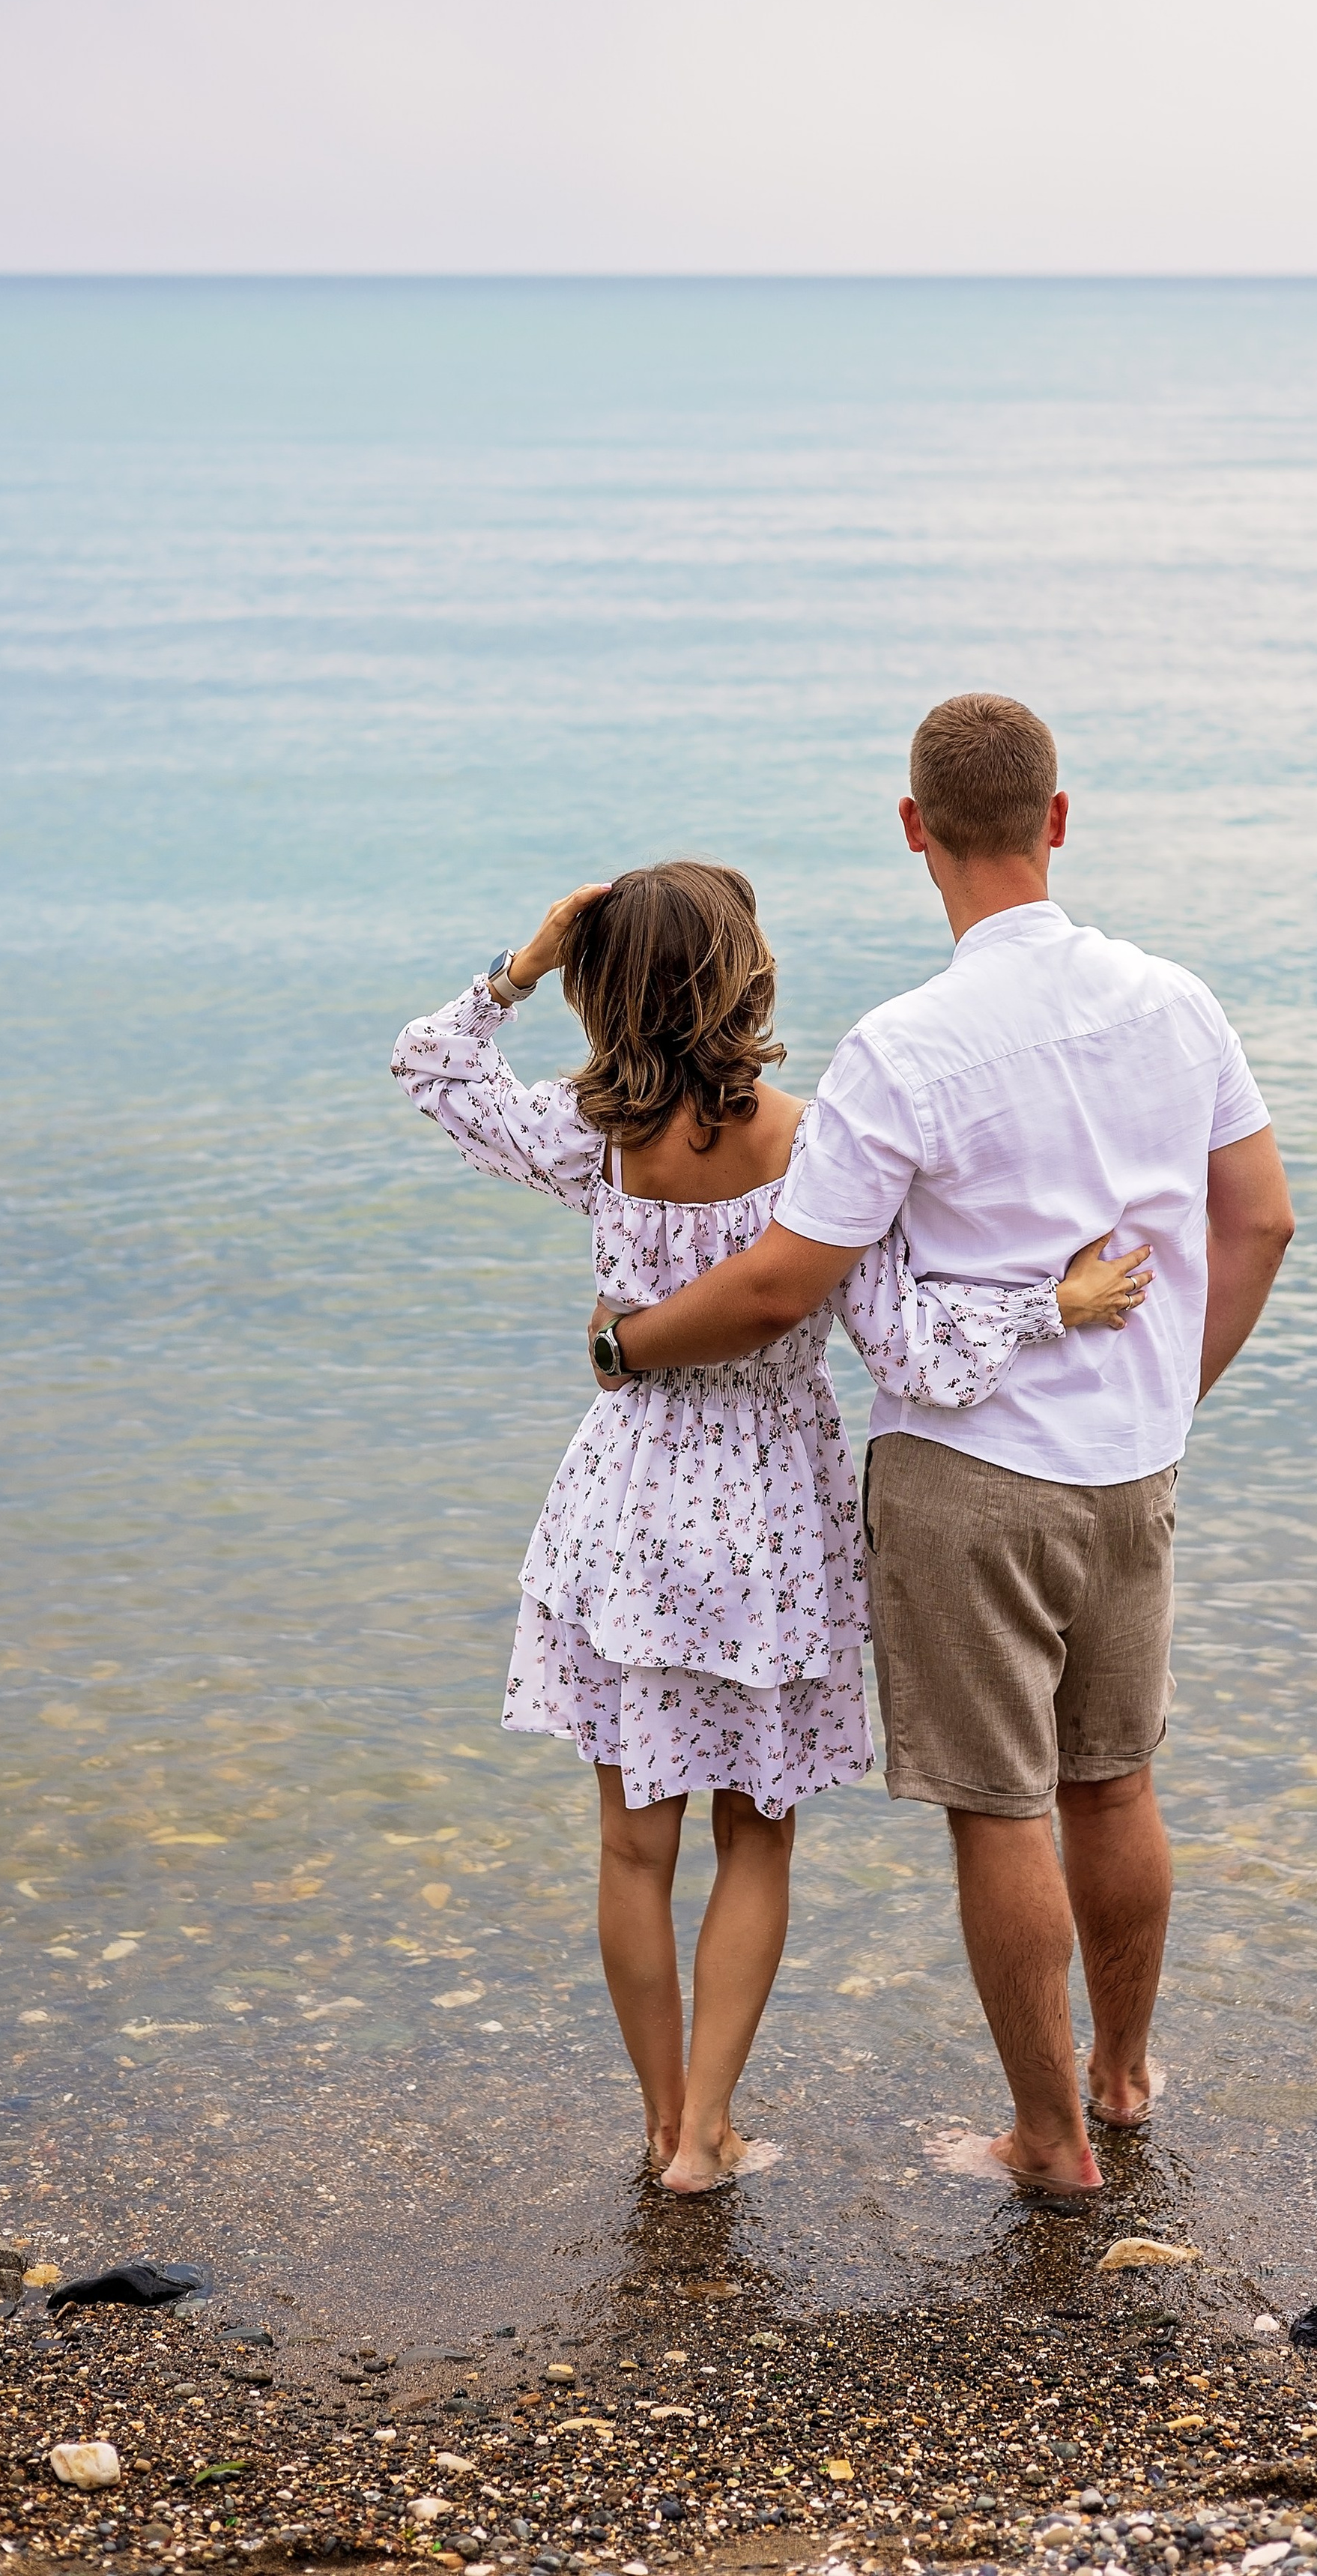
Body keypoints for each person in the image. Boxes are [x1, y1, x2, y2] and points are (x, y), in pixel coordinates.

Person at [587, 698, 1295, 2198]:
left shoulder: (900, 1052)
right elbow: (1261, 1220)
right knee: (1114, 1782)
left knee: (1004, 1804)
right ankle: (1119, 2074)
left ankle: (1046, 2139)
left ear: (914, 830)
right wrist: (1169, 1392)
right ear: (1055, 817)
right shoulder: (1179, 1001)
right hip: (1128, 1465)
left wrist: (624, 1343)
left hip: (971, 1479)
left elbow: (782, 1282)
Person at [391, 860, 1148, 2195]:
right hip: (770, 1526)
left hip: (626, 1508)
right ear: (749, 974)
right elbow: (911, 1346)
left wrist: (522, 964)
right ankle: (707, 2135)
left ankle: (659, 2114)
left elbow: (433, 1066)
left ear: (602, 988)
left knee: (634, 1842)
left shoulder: (594, 1133)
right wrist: (1055, 1305)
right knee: (757, 1834)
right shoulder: (814, 1143)